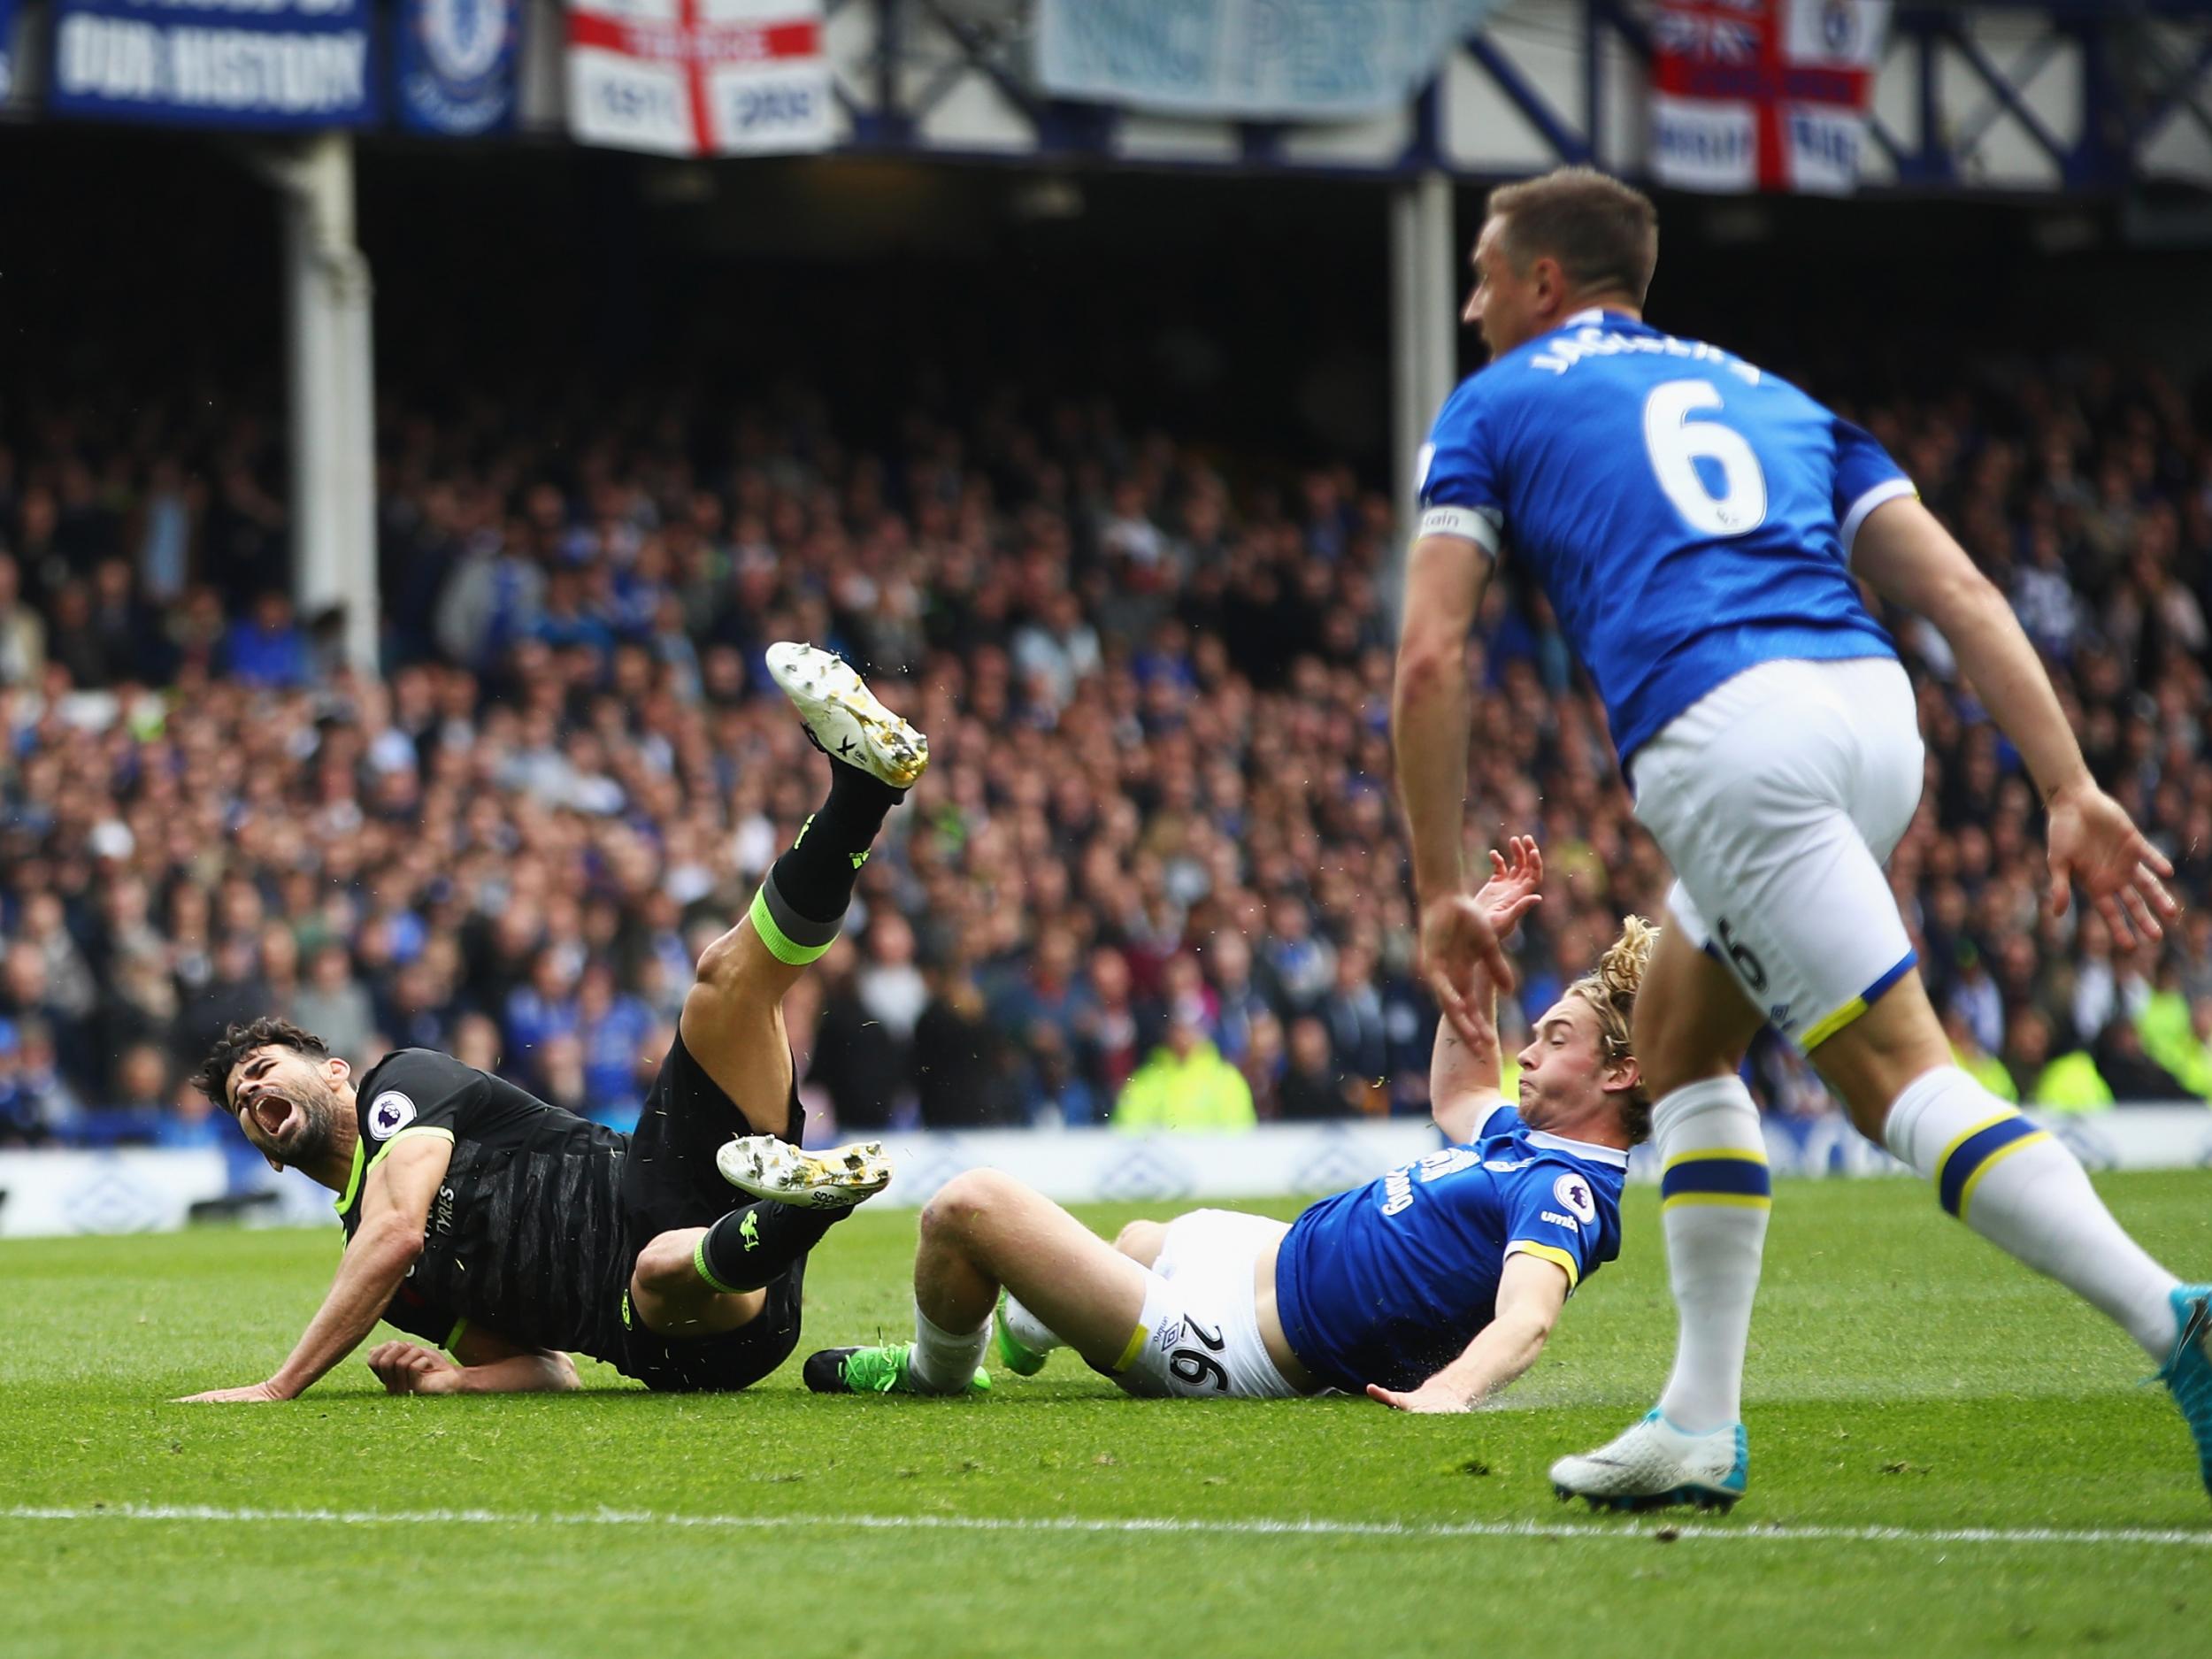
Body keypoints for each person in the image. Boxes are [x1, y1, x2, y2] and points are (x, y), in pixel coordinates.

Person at [1393, 165, 2209, 1509]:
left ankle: (2174, 1317)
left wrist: (1435, 885)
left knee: (1896, 1080)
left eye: (1483, 271)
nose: (1473, 300)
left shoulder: (1492, 405)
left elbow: (1431, 656)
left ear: (1545, 282)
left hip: (1728, 736)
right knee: (1679, 1034)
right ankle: (1698, 1424)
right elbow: (1952, 586)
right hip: (1871, 707)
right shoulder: (1774, 396)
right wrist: (2068, 783)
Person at [173, 643, 923, 1402]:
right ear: (269, 1156)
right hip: (675, 1336)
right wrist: (455, 1381)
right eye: (241, 1099)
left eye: (263, 1067)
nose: (251, 1091)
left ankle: (863, 791)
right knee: (659, 1267)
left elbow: (398, 1228)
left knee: (724, 981)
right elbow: (547, 1368)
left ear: (335, 1071)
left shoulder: (400, 1089)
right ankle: (805, 1207)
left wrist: (280, 1386)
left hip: (667, 1175)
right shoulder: (395, 1289)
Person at [804, 841, 1648, 1415]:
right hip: (1264, 1255)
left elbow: (1528, 1317)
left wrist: (1450, 1391)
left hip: (1241, 1343)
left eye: (1557, 1038)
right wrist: (1475, 952)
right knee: (1134, 1237)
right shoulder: (1523, 1141)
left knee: (968, 1204)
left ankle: (936, 1373)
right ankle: (1028, 1326)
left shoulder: (1565, 1188)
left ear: (1619, 1074)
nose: (1526, 1050)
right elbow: (1461, 1089)